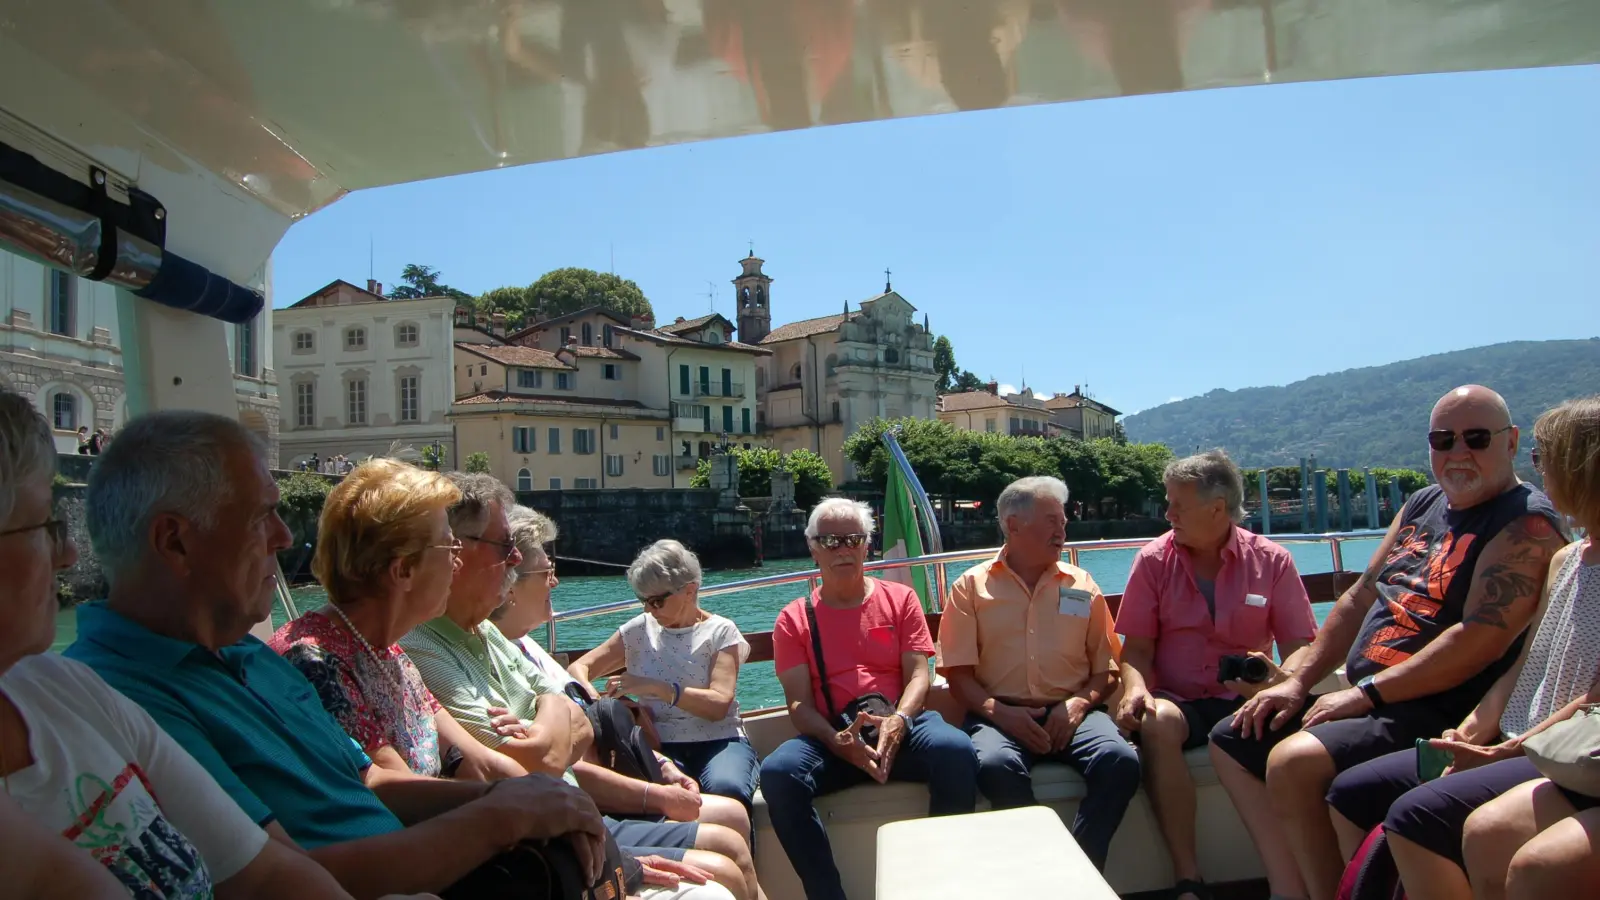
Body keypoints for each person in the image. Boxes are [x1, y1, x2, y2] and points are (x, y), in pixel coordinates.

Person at [64, 409, 613, 900]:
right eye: (262, 516)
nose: (284, 537)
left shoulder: (250, 659)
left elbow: (368, 782)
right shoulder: (122, 696)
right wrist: (502, 818)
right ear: (175, 541)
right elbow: (271, 880)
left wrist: (518, 801)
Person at [1207, 385, 1567, 900]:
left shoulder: (1525, 522)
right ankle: (1299, 888)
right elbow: (1358, 596)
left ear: (1510, 442)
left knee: (1292, 762)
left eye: (1476, 438)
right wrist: (1300, 680)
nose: (1457, 452)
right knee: (1234, 738)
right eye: (1443, 440)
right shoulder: (1424, 502)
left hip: (1438, 706)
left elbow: (1481, 638)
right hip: (1373, 698)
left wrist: (1362, 694)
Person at [0, 389, 353, 899]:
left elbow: (265, 874)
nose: (69, 552)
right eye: (45, 526)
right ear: (175, 542)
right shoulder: (118, 683)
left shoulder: (65, 688)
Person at [399, 474, 759, 900]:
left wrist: (550, 713)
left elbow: (577, 719)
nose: (517, 564)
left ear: (691, 590)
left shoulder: (487, 635)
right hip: (559, 829)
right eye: (507, 551)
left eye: (657, 600)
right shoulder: (425, 647)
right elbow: (536, 755)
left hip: (595, 799)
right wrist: (561, 723)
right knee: (723, 857)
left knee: (731, 809)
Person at [1324, 394, 1600, 900]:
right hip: (1524, 735)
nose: (1539, 473)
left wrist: (1502, 751)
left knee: (1418, 815)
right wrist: (1475, 727)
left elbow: (1594, 703)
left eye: (1545, 460)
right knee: (1350, 793)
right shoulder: (1568, 561)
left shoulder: (1538, 533)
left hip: (1570, 751)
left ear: (1583, 470)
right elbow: (1527, 665)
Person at [1113, 451, 1317, 900]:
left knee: (1295, 734)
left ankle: (1297, 876)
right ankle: (1189, 878)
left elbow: (1302, 646)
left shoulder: (1272, 561)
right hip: (1178, 698)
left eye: (1176, 505)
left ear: (1217, 508)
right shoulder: (1152, 561)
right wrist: (1135, 688)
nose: (1167, 514)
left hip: (1246, 700)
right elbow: (1137, 649)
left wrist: (1277, 681)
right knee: (1158, 721)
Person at [760, 497, 979, 900]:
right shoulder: (793, 619)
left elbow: (918, 675)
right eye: (830, 541)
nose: (843, 549)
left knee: (956, 751)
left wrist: (900, 721)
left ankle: (939, 884)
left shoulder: (900, 599)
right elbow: (798, 705)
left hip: (903, 725)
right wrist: (834, 739)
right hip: (834, 735)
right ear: (812, 547)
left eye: (853, 539)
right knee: (778, 773)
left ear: (867, 545)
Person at [270, 459, 525, 783]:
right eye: (449, 546)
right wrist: (514, 804)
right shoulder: (316, 663)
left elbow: (474, 759)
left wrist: (543, 795)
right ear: (403, 570)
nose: (457, 562)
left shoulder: (388, 653)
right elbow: (393, 793)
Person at [940, 475, 1141, 872]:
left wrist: (1080, 704)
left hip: (1074, 711)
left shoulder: (1081, 583)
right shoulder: (970, 587)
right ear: (1013, 526)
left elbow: (1107, 669)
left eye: (1063, 521)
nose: (1062, 529)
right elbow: (958, 676)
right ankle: (1043, 873)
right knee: (994, 766)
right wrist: (1001, 713)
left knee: (1120, 760)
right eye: (1051, 520)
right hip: (997, 715)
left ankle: (1078, 874)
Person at [569, 539, 762, 813]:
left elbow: (718, 705)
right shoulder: (639, 630)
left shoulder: (721, 632)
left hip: (720, 740)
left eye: (657, 601)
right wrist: (594, 698)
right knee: (655, 795)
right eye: (643, 601)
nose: (649, 609)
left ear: (690, 591)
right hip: (657, 746)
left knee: (726, 788)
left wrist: (654, 687)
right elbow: (579, 668)